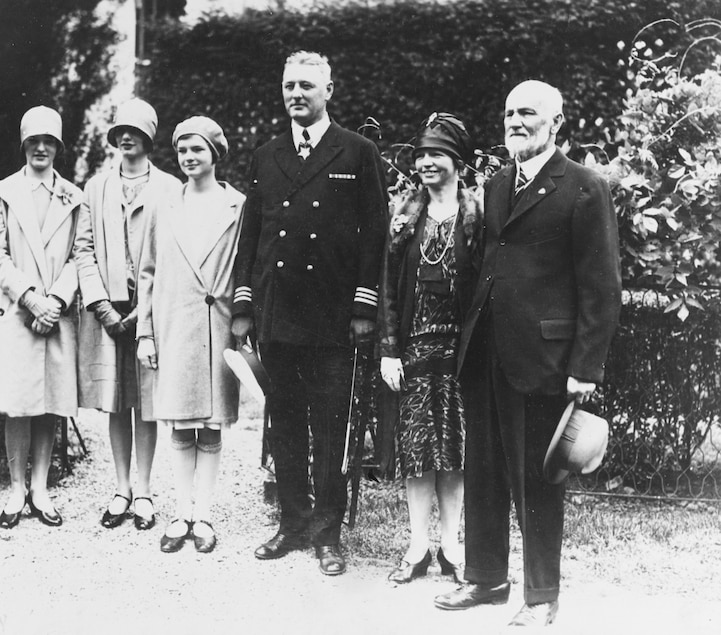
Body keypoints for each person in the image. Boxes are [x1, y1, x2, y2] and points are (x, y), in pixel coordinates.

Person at [433, 80, 621, 626]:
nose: (516, 121)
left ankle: (541, 597)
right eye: (510, 112)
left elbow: (601, 288)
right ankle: (487, 580)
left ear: (556, 122)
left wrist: (585, 367)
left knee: (537, 483)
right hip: (487, 354)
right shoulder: (496, 183)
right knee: (485, 471)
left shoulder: (584, 187)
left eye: (529, 113)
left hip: (545, 363)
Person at [231, 51, 387, 576]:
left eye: (306, 85)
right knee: (286, 424)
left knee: (331, 427)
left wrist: (366, 305)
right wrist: (245, 304)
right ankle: (292, 524)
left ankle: (327, 533)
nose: (296, 93)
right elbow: (251, 234)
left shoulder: (358, 152)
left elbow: (376, 237)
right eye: (289, 85)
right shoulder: (266, 154)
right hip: (278, 313)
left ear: (328, 90)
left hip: (333, 316)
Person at [378, 113, 482, 584]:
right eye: (420, 156)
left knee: (455, 451)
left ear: (456, 162)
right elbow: (387, 290)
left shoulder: (477, 216)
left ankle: (453, 547)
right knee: (417, 451)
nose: (425, 163)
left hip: (461, 354)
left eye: (435, 155)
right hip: (415, 352)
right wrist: (389, 349)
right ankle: (418, 546)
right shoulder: (405, 218)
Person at [137, 116, 245, 554]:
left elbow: (245, 270)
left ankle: (205, 515)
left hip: (217, 327)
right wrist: (145, 331)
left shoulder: (237, 205)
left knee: (212, 424)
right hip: (175, 324)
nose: (188, 158)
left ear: (215, 154)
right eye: (182, 151)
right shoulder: (164, 203)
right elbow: (146, 271)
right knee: (181, 423)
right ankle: (181, 513)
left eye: (197, 149)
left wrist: (243, 321)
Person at [74, 98, 181, 531]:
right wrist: (101, 306)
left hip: (149, 314)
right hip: (108, 313)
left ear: (149, 138)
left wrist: (144, 313)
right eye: (120, 130)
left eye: (135, 131)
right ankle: (120, 488)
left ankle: (144, 491)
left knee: (147, 403)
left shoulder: (170, 188)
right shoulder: (96, 188)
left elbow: (173, 254)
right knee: (117, 402)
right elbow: (83, 250)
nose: (126, 137)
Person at [0, 106, 83, 529]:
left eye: (49, 141)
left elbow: (82, 255)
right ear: (24, 145)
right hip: (17, 312)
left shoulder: (74, 197)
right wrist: (30, 298)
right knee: (18, 405)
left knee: (49, 404)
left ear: (59, 147)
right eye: (33, 141)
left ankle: (40, 488)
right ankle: (15, 490)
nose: (41, 148)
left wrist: (56, 300)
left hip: (55, 314)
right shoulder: (4, 190)